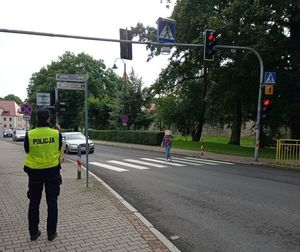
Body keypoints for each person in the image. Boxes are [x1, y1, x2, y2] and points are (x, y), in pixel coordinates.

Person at [23, 108, 62, 241]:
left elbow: (27, 150)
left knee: (34, 203)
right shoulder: (56, 133)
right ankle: (51, 233)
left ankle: (33, 233)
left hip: (34, 173)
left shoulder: (30, 134)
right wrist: (58, 131)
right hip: (52, 172)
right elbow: (58, 148)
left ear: (37, 119)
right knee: (52, 203)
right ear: (49, 118)